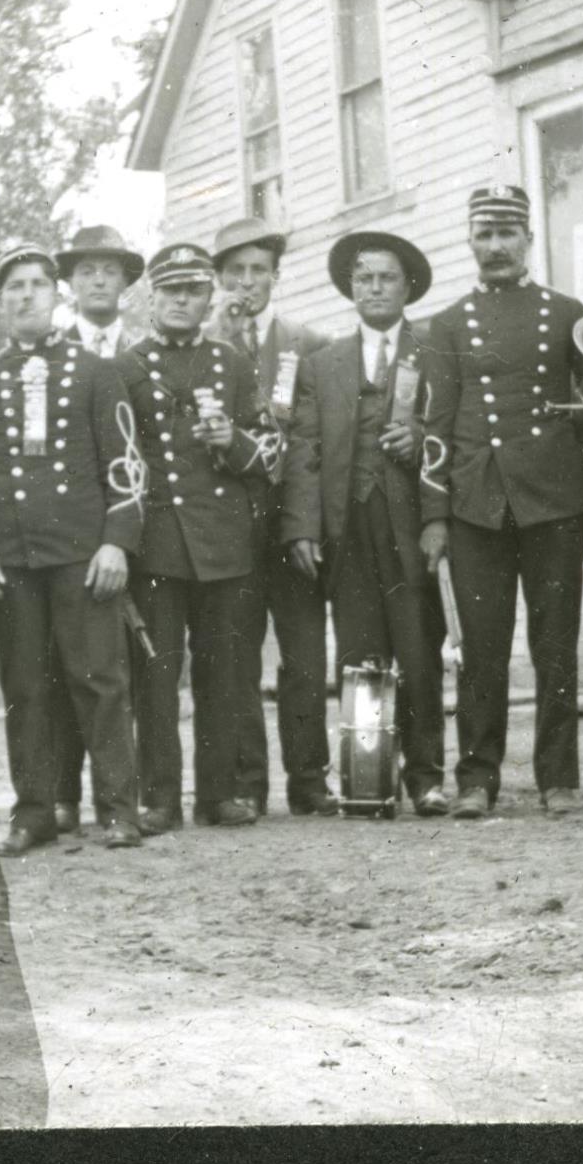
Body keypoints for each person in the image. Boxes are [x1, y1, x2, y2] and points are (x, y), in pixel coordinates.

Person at [417, 184, 583, 818]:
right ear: (470, 242)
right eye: (484, 234)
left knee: (556, 644)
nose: (495, 246)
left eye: (507, 233)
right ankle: (476, 780)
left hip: (553, 501)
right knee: (480, 649)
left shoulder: (568, 314)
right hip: (476, 505)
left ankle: (557, 779)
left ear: (529, 240)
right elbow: (436, 427)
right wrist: (434, 516)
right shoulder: (447, 324)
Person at [0, 243, 146, 856]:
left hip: (82, 555)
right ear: (1, 300)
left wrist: (117, 544)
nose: (28, 295)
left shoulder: (95, 371)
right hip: (12, 561)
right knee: (27, 689)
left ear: (55, 294)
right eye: (15, 286)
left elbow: (126, 468)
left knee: (100, 682)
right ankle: (32, 812)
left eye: (38, 284)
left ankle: (119, 810)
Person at [281, 231, 448, 815]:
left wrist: (422, 439)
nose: (374, 288)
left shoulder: (435, 354)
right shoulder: (322, 364)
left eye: (386, 278)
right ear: (351, 288)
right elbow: (303, 449)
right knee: (358, 655)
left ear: (407, 288)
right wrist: (302, 527)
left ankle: (426, 777)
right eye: (364, 278)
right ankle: (366, 779)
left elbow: (456, 433)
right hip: (347, 528)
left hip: (409, 524)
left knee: (420, 651)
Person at [120, 243, 285, 832]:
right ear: (151, 299)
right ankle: (159, 799)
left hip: (225, 543)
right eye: (170, 291)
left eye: (192, 291)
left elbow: (271, 450)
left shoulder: (233, 364)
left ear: (208, 297)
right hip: (158, 542)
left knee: (226, 673)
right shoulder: (128, 367)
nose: (181, 301)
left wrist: (230, 442)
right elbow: (116, 457)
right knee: (156, 678)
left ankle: (218, 795)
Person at [210, 216, 336, 817]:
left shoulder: (304, 343)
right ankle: (247, 783)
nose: (247, 283)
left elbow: (312, 444)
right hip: (231, 529)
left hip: (291, 527)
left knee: (306, 655)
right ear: (218, 279)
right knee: (236, 658)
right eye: (235, 272)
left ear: (276, 278)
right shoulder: (204, 345)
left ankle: (309, 779)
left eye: (259, 271)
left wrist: (305, 526)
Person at [47, 224, 149, 833]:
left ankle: (140, 798)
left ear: (126, 283)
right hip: (76, 536)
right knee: (68, 667)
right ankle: (64, 794)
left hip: (143, 527)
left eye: (109, 271)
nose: (98, 281)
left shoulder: (146, 352)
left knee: (135, 668)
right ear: (71, 285)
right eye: (85, 271)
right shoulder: (54, 355)